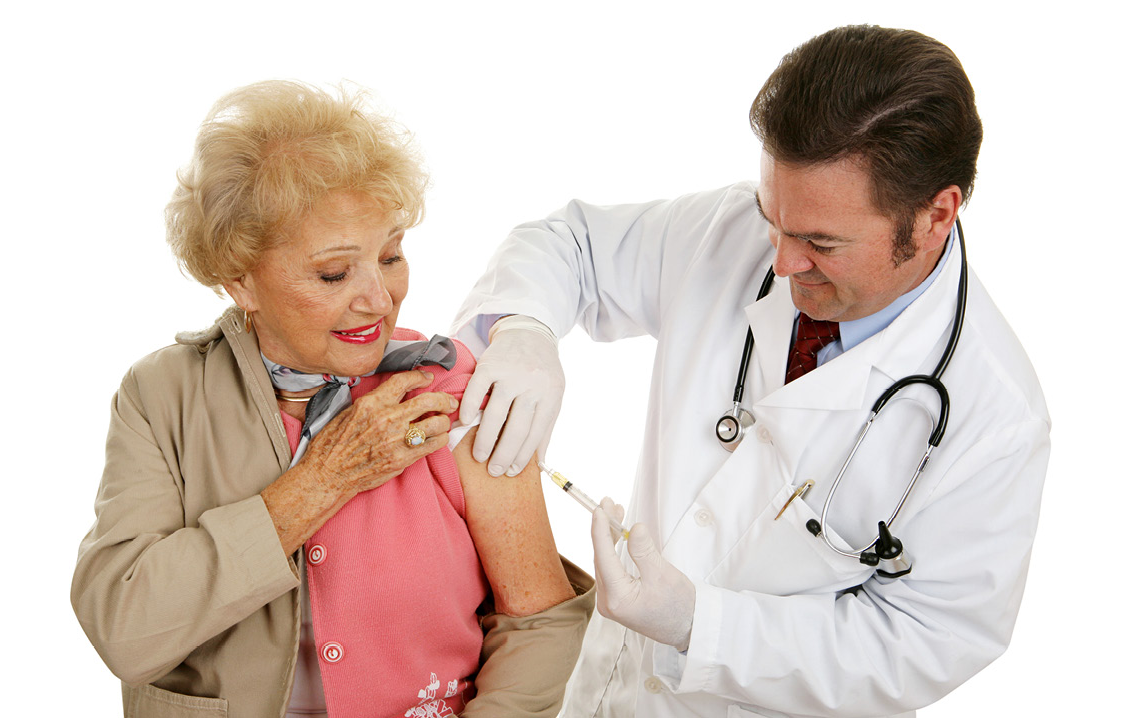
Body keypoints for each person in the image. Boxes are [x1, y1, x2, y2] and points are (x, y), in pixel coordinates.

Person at [452, 25, 1050, 718]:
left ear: (935, 216)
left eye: (821, 243)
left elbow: (923, 643)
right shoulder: (734, 231)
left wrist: (698, 625)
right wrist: (525, 329)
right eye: (775, 221)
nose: (780, 262)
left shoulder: (995, 414)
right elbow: (571, 244)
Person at [71, 80, 594, 718]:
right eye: (333, 273)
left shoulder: (449, 389)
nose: (379, 298)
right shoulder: (163, 397)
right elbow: (126, 626)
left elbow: (539, 620)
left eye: (392, 255)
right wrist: (324, 479)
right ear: (241, 280)